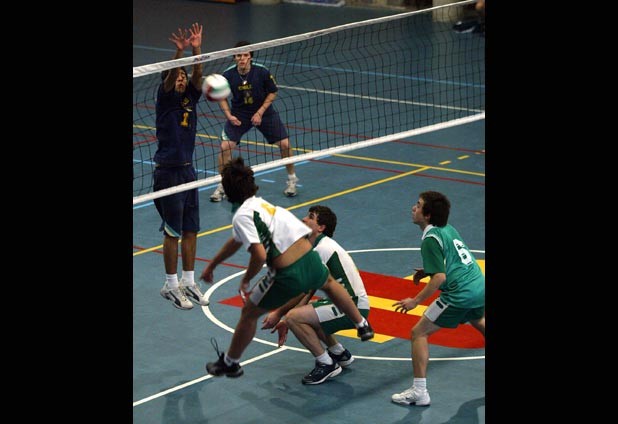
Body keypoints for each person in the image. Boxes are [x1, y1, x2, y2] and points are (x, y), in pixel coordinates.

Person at [201, 157, 374, 378]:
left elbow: (259, 255)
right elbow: (236, 240)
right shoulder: (266, 206)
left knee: (249, 314)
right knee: (329, 284)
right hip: (310, 260)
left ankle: (231, 362)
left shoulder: (243, 216)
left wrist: (246, 279)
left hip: (287, 273)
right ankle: (362, 324)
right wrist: (213, 264)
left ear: (227, 190)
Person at [391, 191, 485, 406]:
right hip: (479, 286)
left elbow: (440, 277)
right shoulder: (448, 229)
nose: (413, 208)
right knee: (478, 320)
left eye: (418, 205)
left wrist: (415, 301)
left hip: (460, 293)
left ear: (428, 215)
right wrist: (428, 270)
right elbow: (453, 259)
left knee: (418, 333)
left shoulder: (430, 240)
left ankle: (419, 391)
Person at [261, 205, 370, 385]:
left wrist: (280, 314)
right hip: (353, 303)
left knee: (295, 317)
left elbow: (302, 291)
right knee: (303, 316)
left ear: (321, 227)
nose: (304, 219)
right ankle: (338, 353)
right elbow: (309, 291)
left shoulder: (322, 249)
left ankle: (326, 363)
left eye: (310, 217)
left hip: (353, 306)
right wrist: (288, 319)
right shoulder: (320, 247)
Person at [153, 23, 209, 310]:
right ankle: (171, 285)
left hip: (188, 171)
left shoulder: (190, 99)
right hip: (168, 172)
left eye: (182, 77)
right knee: (172, 231)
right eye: (177, 77)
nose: (180, 80)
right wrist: (179, 53)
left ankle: (188, 281)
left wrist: (197, 49)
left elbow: (197, 75)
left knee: (191, 229)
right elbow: (171, 76)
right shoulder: (165, 99)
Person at [209, 41, 298, 202]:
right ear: (234, 57)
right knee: (225, 147)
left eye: (245, 55)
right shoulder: (228, 75)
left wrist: (260, 112)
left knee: (285, 144)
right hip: (239, 113)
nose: (242, 58)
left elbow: (273, 92)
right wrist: (229, 115)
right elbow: (221, 96)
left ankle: (292, 180)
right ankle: (223, 185)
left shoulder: (262, 71)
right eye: (238, 55)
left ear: (250, 56)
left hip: (264, 112)